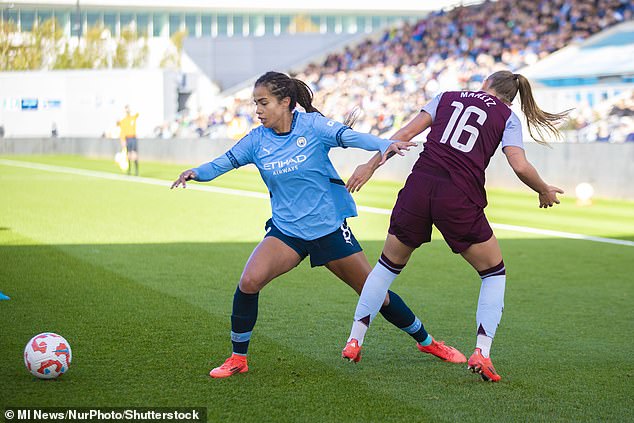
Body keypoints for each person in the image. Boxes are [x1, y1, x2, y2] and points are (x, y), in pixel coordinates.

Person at [171, 71, 465, 379]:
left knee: (375, 293)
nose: (257, 110)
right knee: (248, 282)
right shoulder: (256, 141)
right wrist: (196, 172)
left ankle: (428, 342)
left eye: (263, 102)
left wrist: (384, 144)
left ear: (285, 102)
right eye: (255, 103)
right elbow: (223, 162)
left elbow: (351, 138)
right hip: (287, 232)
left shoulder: (312, 126)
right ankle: (237, 358)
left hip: (328, 229)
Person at [342, 70, 569, 382]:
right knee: (493, 272)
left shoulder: (447, 97)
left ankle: (355, 340)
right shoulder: (508, 116)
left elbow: (403, 134)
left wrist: (369, 166)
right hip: (458, 195)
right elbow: (519, 164)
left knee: (386, 266)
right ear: (511, 96)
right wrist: (542, 189)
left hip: (419, 187)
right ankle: (482, 352)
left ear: (485, 85)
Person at [118, 105, 140, 176]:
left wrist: (130, 109)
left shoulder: (133, 117)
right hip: (127, 138)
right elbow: (122, 130)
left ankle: (136, 171)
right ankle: (129, 170)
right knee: (128, 155)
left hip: (133, 138)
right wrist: (122, 140)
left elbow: (137, 113)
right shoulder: (123, 120)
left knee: (134, 154)